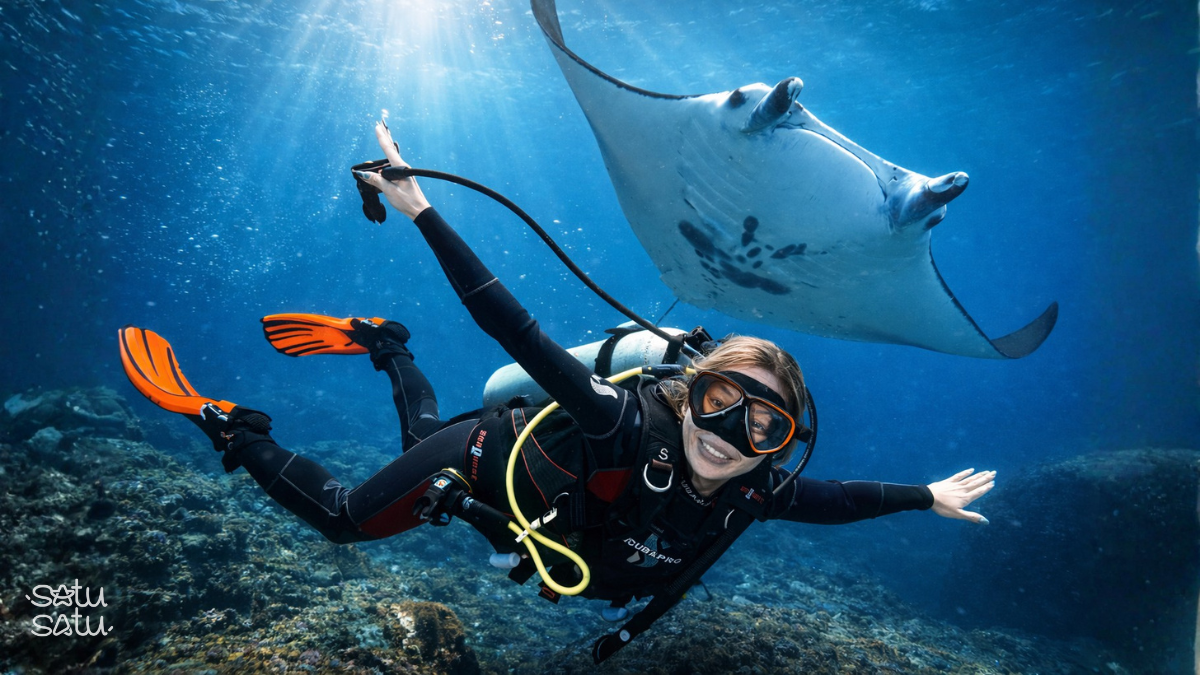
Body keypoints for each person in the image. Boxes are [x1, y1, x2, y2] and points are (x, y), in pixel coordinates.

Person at [118, 121, 994, 662]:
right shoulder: (619, 418)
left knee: (419, 421)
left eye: (764, 426)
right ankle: (233, 424)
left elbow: (836, 498)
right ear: (689, 393)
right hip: (490, 459)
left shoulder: (753, 488)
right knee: (348, 514)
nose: (732, 433)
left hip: (519, 509)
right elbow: (520, 334)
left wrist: (927, 495)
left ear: (779, 446)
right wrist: (422, 208)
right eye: (722, 401)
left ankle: (386, 344)